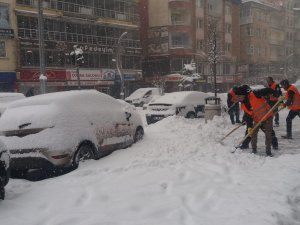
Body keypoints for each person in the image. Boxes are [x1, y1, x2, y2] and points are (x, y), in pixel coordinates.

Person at [234, 84, 276, 156]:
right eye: (236, 96)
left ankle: (270, 150)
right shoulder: (243, 105)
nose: (237, 98)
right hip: (257, 119)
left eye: (238, 96)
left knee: (269, 133)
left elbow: (267, 90)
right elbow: (248, 116)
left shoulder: (255, 94)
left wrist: (275, 93)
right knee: (252, 133)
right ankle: (254, 149)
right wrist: (250, 127)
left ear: (243, 95)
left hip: (267, 117)